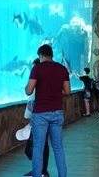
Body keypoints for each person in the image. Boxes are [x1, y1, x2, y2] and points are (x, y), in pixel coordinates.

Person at [25, 44, 70, 177]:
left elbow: (29, 91)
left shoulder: (37, 68)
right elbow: (67, 91)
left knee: (38, 148)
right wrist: (55, 90)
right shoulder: (62, 69)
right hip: (57, 112)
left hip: (41, 114)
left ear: (41, 56)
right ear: (51, 55)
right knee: (58, 147)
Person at [19, 59, 50, 177]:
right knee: (44, 144)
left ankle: (38, 171)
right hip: (48, 116)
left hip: (38, 117)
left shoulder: (35, 82)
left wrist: (30, 118)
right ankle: (43, 170)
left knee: (37, 145)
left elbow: (31, 100)